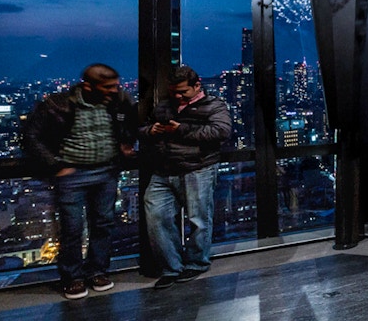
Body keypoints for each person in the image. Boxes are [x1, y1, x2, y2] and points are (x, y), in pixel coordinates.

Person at [22, 63, 138, 300]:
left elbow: (133, 119)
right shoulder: (58, 104)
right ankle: (72, 277)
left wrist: (127, 142)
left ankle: (98, 271)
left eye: (115, 85)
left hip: (107, 171)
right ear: (88, 86)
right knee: (72, 228)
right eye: (108, 87)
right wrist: (55, 164)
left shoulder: (119, 100)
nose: (115, 90)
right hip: (72, 175)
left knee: (103, 223)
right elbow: (31, 136)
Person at [140, 65, 232, 290]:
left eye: (183, 92)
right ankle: (171, 267)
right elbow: (141, 129)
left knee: (199, 219)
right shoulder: (165, 106)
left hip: (196, 168)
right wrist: (151, 130)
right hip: (163, 170)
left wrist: (180, 129)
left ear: (197, 85)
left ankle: (196, 263)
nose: (178, 96)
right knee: (157, 218)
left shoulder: (214, 105)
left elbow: (221, 132)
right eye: (174, 92)